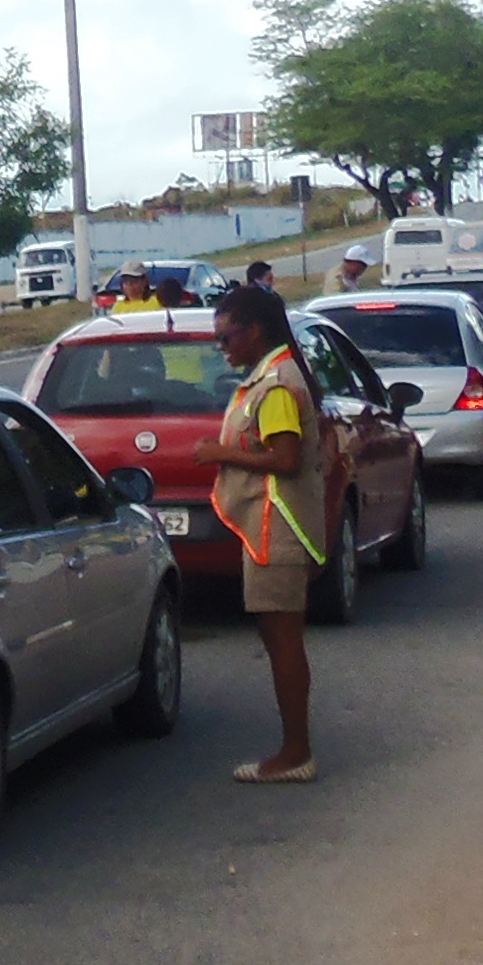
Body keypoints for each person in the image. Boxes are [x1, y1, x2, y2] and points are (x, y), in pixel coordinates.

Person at [203, 282, 325, 785]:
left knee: (284, 640)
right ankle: (294, 748)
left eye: (227, 337)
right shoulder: (272, 376)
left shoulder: (276, 385)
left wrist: (220, 454)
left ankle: (295, 753)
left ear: (254, 331)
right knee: (277, 638)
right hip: (269, 528)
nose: (222, 347)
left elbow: (286, 459)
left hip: (278, 526)